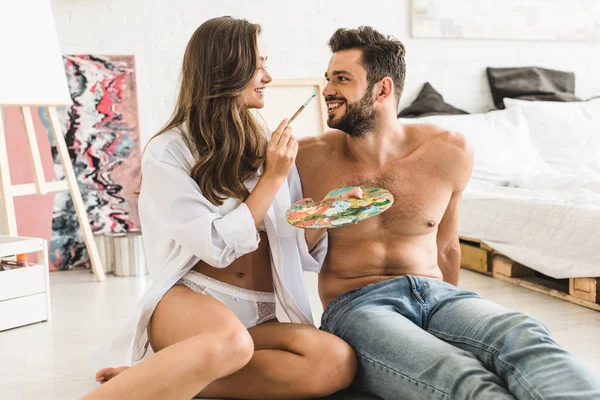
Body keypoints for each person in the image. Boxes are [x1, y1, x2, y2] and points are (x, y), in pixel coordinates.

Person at [296, 26, 600, 400]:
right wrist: (324, 214)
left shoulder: (447, 151)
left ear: (383, 89)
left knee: (523, 334)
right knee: (459, 374)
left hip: (437, 295)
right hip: (358, 306)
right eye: (328, 78)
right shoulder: (305, 157)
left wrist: (451, 321)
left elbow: (446, 247)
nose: (327, 90)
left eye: (341, 79)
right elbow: (286, 249)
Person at [84, 16, 356, 400]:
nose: (268, 76)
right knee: (232, 343)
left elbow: (295, 242)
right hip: (192, 301)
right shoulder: (169, 151)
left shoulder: (266, 142)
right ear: (226, 68)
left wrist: (326, 215)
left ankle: (161, 377)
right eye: (258, 64)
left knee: (335, 361)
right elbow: (214, 245)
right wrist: (273, 178)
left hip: (261, 311)